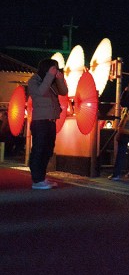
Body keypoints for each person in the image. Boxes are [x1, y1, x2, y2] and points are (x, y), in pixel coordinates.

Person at [27, 58, 68, 190]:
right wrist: (50, 76)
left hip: (51, 120)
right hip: (40, 121)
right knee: (39, 150)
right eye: (53, 68)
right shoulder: (34, 81)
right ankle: (37, 180)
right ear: (46, 68)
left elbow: (64, 92)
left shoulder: (51, 81)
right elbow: (40, 93)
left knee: (48, 150)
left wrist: (60, 79)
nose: (55, 70)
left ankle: (42, 178)